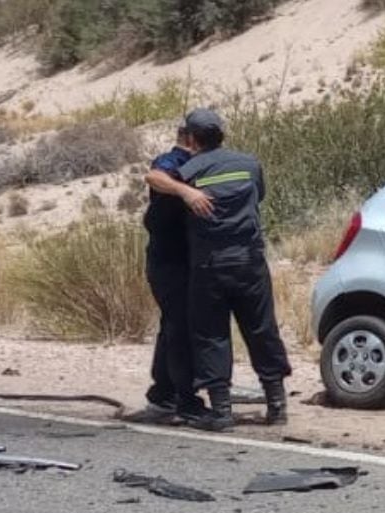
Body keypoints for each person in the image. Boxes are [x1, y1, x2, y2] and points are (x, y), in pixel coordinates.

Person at [145, 109, 292, 432]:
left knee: (212, 336)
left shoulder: (187, 171)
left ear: (191, 139)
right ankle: (277, 404)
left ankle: (222, 411)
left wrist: (187, 192)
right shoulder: (249, 164)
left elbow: (156, 186)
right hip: (251, 262)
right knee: (262, 330)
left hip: (210, 267)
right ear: (222, 135)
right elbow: (259, 197)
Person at [125, 126, 206, 425]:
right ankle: (177, 399)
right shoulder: (173, 161)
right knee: (178, 328)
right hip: (168, 262)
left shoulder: (208, 164)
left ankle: (165, 394)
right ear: (190, 139)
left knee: (176, 327)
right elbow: (154, 177)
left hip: (191, 262)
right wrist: (186, 192)